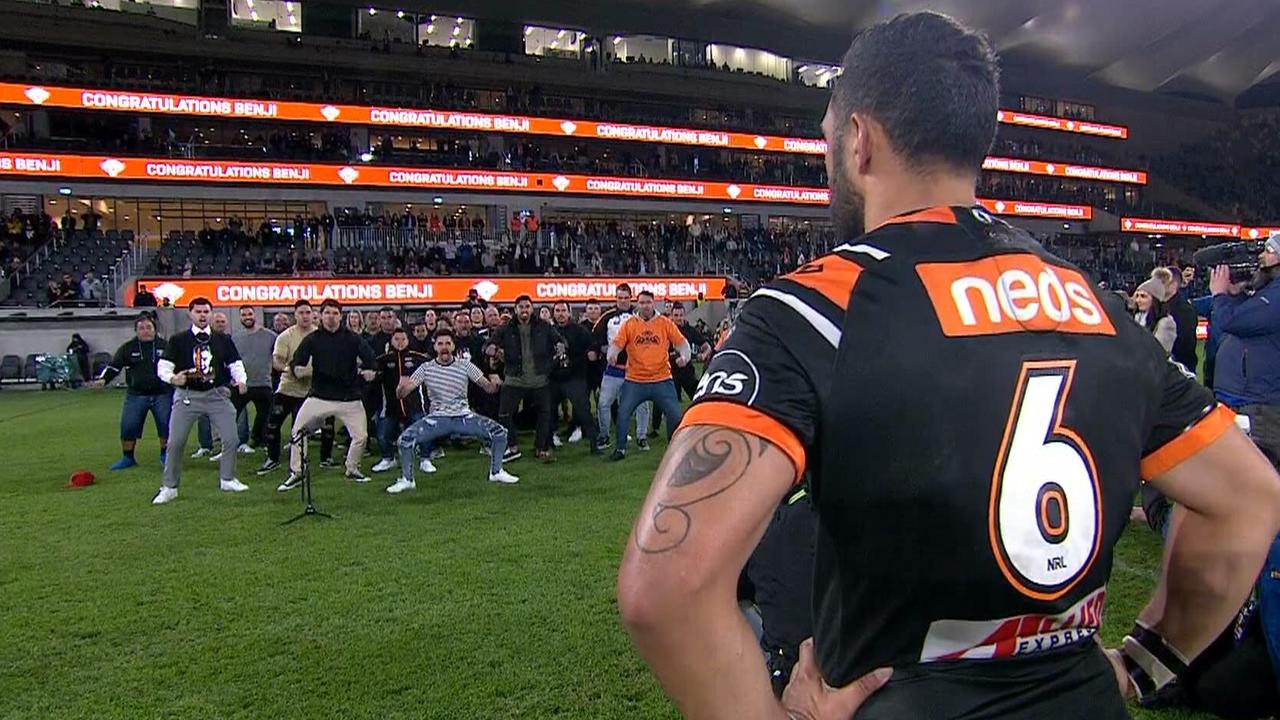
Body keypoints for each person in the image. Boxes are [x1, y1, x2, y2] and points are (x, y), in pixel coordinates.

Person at [616, 12, 1280, 720]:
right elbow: (1248, 498)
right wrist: (1145, 664)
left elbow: (666, 589)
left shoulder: (813, 307)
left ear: (858, 141)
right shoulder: (1098, 306)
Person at [386, 328, 517, 493]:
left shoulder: (465, 365)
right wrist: (400, 388)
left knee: (500, 433)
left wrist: (495, 382)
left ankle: (497, 472)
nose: (444, 347)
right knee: (404, 441)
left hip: (463, 416)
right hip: (437, 419)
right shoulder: (426, 368)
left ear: (453, 346)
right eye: (440, 344)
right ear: (435, 348)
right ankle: (407, 479)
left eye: (448, 343)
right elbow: (403, 393)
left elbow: (488, 388)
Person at [151, 297, 249, 505]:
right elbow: (164, 366)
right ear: (190, 314)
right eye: (198, 312)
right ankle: (169, 487)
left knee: (231, 438)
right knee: (175, 442)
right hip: (187, 396)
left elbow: (235, 363)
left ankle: (228, 478)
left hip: (217, 394)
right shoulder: (178, 340)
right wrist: (172, 378)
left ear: (211, 314)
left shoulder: (223, 339)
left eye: (206, 311)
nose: (203, 315)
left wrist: (241, 380)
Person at [285, 299, 377, 487]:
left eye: (335, 313)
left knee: (361, 437)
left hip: (349, 397)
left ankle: (352, 469)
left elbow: (371, 360)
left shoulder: (353, 338)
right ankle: (297, 472)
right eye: (327, 313)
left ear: (340, 316)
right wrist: (298, 370)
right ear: (321, 315)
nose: (331, 317)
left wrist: (370, 372)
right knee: (297, 431)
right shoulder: (312, 339)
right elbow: (297, 362)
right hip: (320, 396)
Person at [1210, 236, 1280, 465]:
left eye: (1269, 251)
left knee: (1260, 472)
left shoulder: (1275, 296)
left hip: (1262, 400)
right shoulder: (1269, 292)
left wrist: (1220, 295)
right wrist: (1236, 295)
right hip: (1254, 397)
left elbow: (1231, 322)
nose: (1261, 257)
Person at [606, 291, 690, 461]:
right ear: (637, 304)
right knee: (623, 414)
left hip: (662, 379)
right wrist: (612, 355)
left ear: (654, 303)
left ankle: (673, 448)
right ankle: (620, 448)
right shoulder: (629, 324)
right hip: (635, 380)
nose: (645, 305)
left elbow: (682, 343)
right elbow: (616, 344)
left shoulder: (665, 323)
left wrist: (685, 357)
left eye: (648, 302)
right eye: (642, 302)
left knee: (674, 414)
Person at [258, 300, 335, 479]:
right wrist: (291, 370)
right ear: (295, 315)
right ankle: (272, 458)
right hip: (289, 387)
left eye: (308, 312)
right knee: (273, 424)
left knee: (327, 423)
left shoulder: (321, 335)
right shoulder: (285, 336)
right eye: (301, 313)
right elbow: (277, 361)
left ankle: (326, 458)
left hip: (316, 388)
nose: (305, 316)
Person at [493, 295, 562, 462]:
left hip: (539, 379)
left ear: (532, 309)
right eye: (521, 307)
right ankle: (512, 446)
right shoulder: (505, 328)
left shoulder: (544, 326)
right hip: (514, 379)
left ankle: (541, 447)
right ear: (515, 309)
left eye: (527, 306)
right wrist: (491, 348)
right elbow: (490, 342)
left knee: (545, 414)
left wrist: (560, 345)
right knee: (504, 414)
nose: (524, 310)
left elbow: (559, 340)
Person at [97, 314, 171, 470]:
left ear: (155, 329)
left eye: (148, 327)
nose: (145, 331)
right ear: (136, 331)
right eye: (141, 328)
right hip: (136, 395)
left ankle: (166, 455)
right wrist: (104, 379)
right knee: (128, 426)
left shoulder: (166, 346)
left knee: (166, 425)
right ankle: (128, 458)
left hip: (163, 394)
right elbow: (114, 366)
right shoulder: (127, 348)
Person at [593, 284, 651, 452]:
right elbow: (596, 337)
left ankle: (641, 437)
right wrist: (599, 350)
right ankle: (604, 435)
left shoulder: (641, 315)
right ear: (616, 298)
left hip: (637, 368)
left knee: (642, 405)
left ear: (631, 298)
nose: (623, 301)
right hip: (614, 369)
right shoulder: (607, 317)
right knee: (603, 403)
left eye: (626, 298)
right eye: (620, 298)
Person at [370, 328, 430, 474]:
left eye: (403, 339)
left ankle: (425, 459)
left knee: (424, 431)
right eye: (396, 339)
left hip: (414, 405)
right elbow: (372, 373)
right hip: (390, 406)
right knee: (383, 434)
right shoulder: (383, 360)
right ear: (391, 341)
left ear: (408, 340)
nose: (400, 342)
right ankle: (388, 459)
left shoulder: (418, 358)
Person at [651, 302, 712, 437]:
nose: (678, 318)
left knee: (698, 396)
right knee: (662, 400)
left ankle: (704, 420)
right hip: (668, 372)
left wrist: (703, 354)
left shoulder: (690, 330)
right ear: (671, 316)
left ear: (684, 315)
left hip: (687, 372)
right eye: (676, 315)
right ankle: (655, 428)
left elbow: (706, 346)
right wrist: (672, 355)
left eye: (681, 315)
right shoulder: (665, 330)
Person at [549, 300, 601, 453]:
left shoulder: (580, 330)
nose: (560, 314)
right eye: (557, 311)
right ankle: (550, 440)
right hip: (554, 377)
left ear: (569, 312)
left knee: (583, 411)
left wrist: (593, 352)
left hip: (574, 377)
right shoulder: (548, 331)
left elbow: (592, 345)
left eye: (563, 310)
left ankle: (594, 444)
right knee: (548, 410)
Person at [230, 306, 276, 451]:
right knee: (231, 415)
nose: (247, 317)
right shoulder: (235, 337)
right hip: (242, 384)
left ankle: (258, 439)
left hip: (263, 383)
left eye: (249, 314)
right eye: (243, 315)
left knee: (266, 415)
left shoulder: (270, 336)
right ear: (240, 318)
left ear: (254, 315)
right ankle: (230, 443)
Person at [1162, 266, 1200, 374]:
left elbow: (1184, 344)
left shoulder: (1185, 310)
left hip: (1180, 370)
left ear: (1173, 284)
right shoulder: (1160, 307)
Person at [1133, 276, 1177, 354]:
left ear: (1155, 300)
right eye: (1137, 296)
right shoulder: (1137, 317)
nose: (1138, 300)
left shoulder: (1166, 323)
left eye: (1143, 296)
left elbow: (1158, 352)